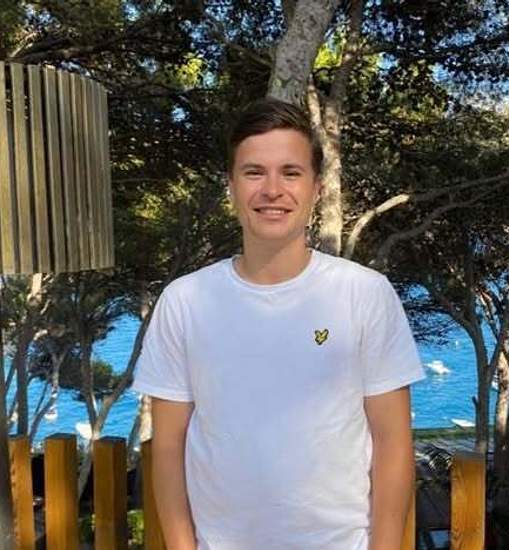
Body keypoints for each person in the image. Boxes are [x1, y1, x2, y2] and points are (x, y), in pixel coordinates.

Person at [130, 98, 426, 550]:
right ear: (231, 186)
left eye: (291, 172)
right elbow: (168, 449)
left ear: (316, 188)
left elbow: (392, 443)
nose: (272, 189)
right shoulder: (184, 302)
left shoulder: (365, 294)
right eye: (254, 172)